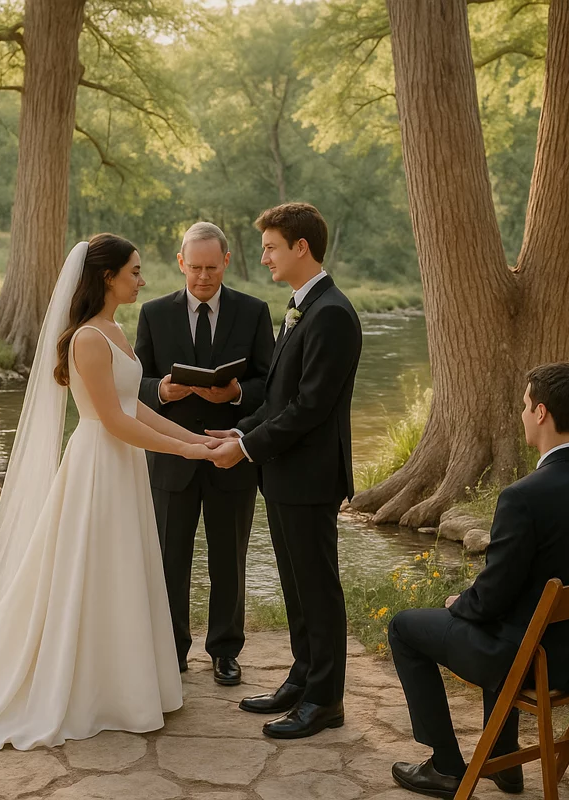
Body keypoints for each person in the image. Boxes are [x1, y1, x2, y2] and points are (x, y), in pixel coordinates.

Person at [0, 234, 218, 750]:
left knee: (122, 568)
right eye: (134, 271)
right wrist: (188, 454)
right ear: (107, 277)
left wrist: (196, 439)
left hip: (123, 466)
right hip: (98, 465)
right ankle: (89, 686)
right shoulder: (88, 339)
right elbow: (112, 421)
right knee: (91, 568)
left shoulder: (115, 329)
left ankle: (125, 681)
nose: (142, 279)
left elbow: (136, 407)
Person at [387, 362, 569, 798]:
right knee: (505, 615)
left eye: (524, 405)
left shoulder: (524, 497)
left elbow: (491, 598)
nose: (521, 413)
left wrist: (458, 603)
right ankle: (504, 763)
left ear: (541, 413)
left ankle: (446, 767)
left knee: (405, 628)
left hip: (530, 659)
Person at [208, 202, 362, 739]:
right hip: (285, 473)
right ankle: (303, 676)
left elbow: (311, 407)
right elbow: (281, 397)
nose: (265, 256)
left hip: (310, 476)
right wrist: (242, 430)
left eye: (272, 246)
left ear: (302, 248)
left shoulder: (332, 314)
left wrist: (247, 448)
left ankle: (326, 700)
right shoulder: (303, 306)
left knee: (318, 589)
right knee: (296, 587)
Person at [134, 222, 274, 685]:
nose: (203, 277)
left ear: (227, 262)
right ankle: (171, 650)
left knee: (228, 559)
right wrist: (164, 391)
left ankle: (225, 651)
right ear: (180, 263)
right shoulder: (153, 314)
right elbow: (134, 383)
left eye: (212, 267)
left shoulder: (253, 312)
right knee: (169, 559)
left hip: (230, 453)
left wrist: (235, 394)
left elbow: (269, 385)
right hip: (171, 458)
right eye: (194, 267)